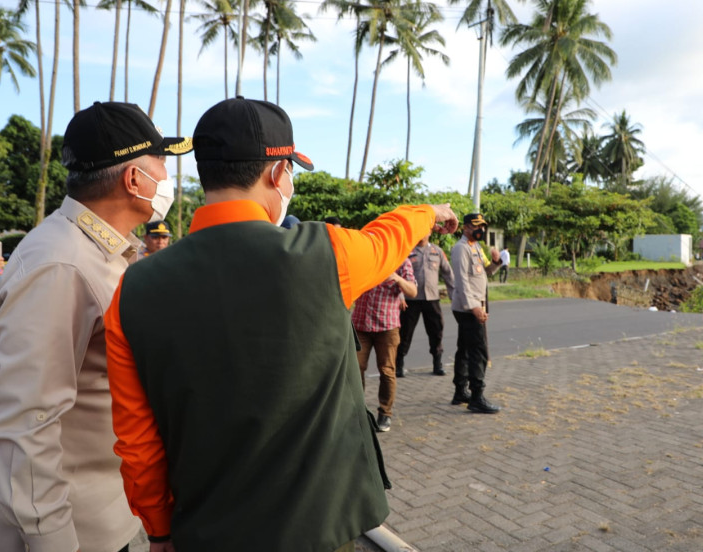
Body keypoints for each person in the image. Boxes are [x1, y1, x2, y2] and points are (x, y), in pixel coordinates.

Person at [103, 96, 458, 552]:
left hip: (206, 531)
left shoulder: (133, 289)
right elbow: (387, 236)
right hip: (320, 530)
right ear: (277, 174)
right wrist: (430, 211)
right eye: (290, 171)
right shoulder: (328, 253)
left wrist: (159, 529)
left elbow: (138, 440)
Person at [0, 101, 192, 552]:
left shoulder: (96, 252)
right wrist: (54, 540)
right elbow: (25, 421)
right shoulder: (62, 263)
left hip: (106, 514)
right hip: (75, 531)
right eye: (161, 161)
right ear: (133, 179)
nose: (166, 176)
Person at [352, 258, 417, 433]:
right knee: (355, 369)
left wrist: (397, 279)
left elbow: (413, 291)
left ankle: (385, 413)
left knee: (387, 370)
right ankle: (357, 412)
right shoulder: (365, 256)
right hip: (360, 324)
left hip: (386, 326)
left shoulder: (402, 261)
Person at [450, 212, 502, 414]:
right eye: (476, 226)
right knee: (478, 351)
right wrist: (474, 308)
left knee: (464, 348)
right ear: (465, 228)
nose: (480, 230)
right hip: (468, 308)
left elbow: (485, 272)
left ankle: (460, 391)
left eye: (482, 226)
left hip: (474, 306)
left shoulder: (476, 247)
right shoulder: (460, 249)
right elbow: (461, 282)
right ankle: (477, 397)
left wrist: (496, 263)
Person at [396, 234, 455, 377]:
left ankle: (437, 364)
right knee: (405, 333)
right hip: (411, 300)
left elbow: (448, 274)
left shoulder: (437, 251)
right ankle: (399, 365)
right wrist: (400, 296)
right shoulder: (406, 251)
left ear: (429, 233)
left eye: (425, 231)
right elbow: (397, 275)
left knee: (436, 331)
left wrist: (455, 296)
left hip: (432, 299)